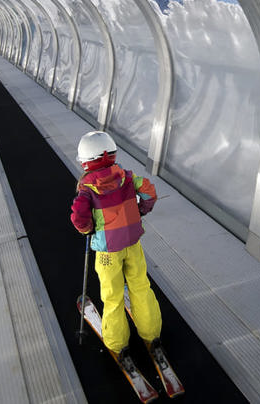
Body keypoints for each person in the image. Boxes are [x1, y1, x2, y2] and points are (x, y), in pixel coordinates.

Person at [70, 131, 166, 367]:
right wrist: (142, 210)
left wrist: (87, 229)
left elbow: (79, 217)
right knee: (141, 287)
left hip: (107, 254)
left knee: (112, 296)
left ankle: (117, 343)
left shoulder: (87, 188)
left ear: (85, 161)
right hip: (133, 245)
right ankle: (152, 334)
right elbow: (149, 192)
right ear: (111, 153)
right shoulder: (127, 176)